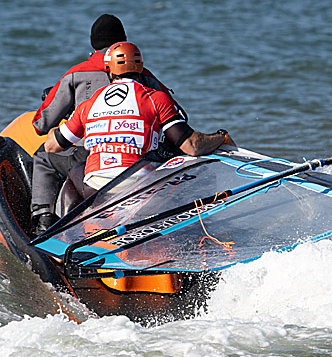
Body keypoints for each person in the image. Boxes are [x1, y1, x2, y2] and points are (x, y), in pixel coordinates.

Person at [30, 15, 178, 235]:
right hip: (137, 159)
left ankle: (44, 222)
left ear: (93, 43)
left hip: (90, 157)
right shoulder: (143, 75)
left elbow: (40, 124)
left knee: (43, 157)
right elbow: (176, 115)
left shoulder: (76, 73)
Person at [45, 41, 231, 195]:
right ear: (140, 67)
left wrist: (56, 129)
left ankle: (70, 231)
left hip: (97, 188)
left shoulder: (90, 103)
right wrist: (221, 136)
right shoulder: (156, 97)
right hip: (141, 186)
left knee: (76, 171)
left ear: (108, 70)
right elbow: (192, 146)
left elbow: (52, 146)